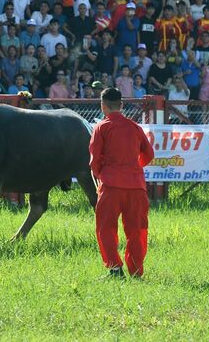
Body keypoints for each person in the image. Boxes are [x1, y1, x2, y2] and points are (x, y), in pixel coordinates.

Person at [89, 87, 154, 278]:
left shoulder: (101, 127)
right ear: (122, 105)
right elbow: (149, 154)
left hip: (111, 185)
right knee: (137, 230)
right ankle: (135, 271)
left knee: (106, 228)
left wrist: (102, 175)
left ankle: (115, 268)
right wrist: (133, 169)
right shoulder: (135, 127)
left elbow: (94, 160)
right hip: (136, 187)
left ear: (103, 106)